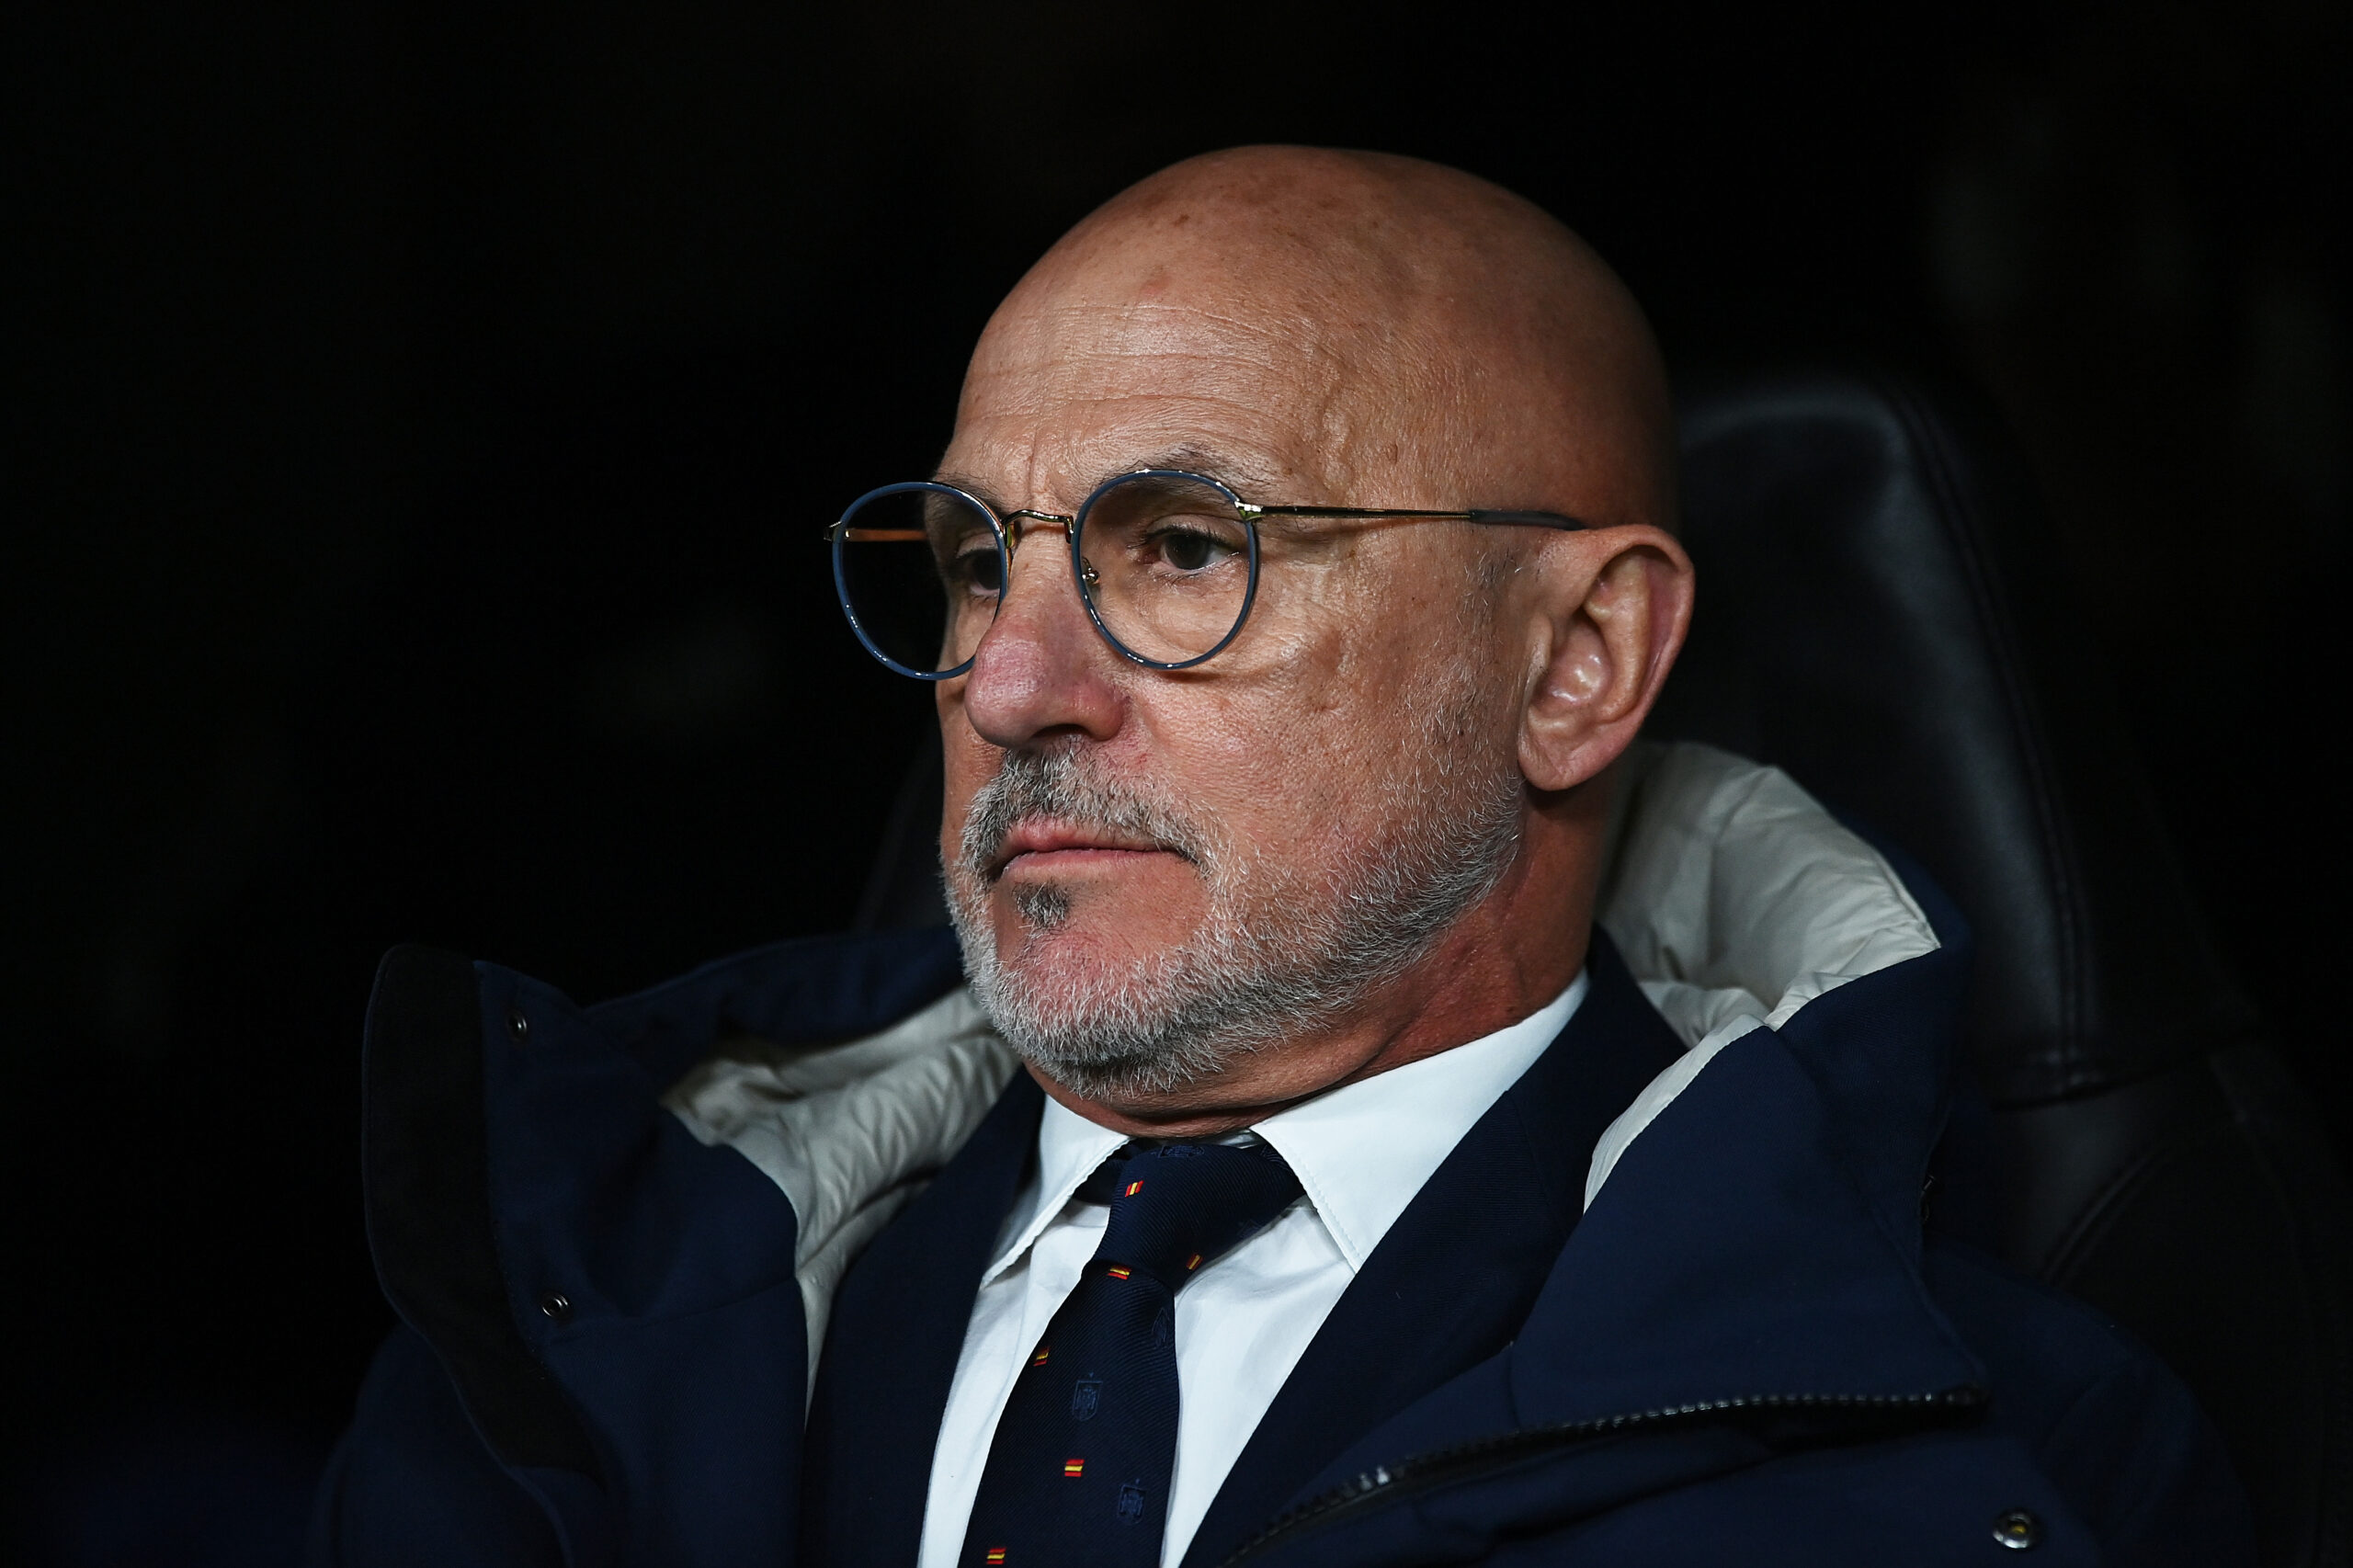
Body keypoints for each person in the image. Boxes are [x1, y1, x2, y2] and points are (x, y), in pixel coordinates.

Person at [309, 147, 2252, 1567]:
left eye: (1180, 550)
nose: (1005, 676)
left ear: (1572, 666)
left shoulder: (2006, 1464)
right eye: (980, 556)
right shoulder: (573, 1305)